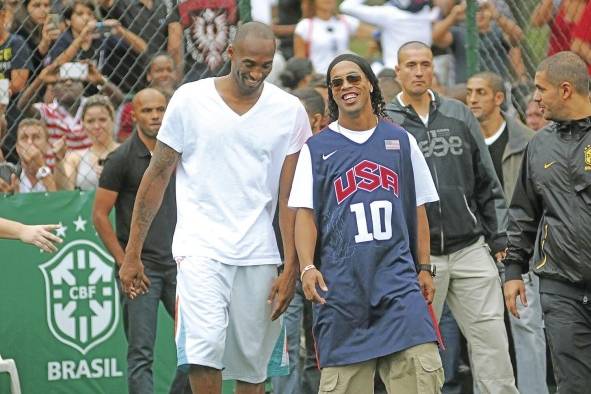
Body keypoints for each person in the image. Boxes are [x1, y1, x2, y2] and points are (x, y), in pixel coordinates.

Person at [118, 22, 312, 394]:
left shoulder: (289, 111)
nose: (256, 74)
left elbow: (291, 196)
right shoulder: (189, 100)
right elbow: (157, 176)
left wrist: (292, 267)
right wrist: (132, 253)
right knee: (202, 354)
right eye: (249, 65)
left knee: (253, 369)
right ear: (230, 54)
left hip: (259, 254)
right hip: (200, 251)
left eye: (265, 66)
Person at [289, 53, 443, 394]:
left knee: (422, 377)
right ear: (331, 93)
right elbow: (305, 215)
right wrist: (307, 266)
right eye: (337, 83)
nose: (346, 86)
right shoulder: (316, 148)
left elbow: (418, 209)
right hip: (342, 292)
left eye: (354, 78)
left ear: (370, 84)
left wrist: (424, 267)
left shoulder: (401, 141)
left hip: (399, 287)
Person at [385, 41, 518, 394]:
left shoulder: (459, 114)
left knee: (492, 342)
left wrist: (498, 237)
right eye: (410, 65)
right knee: (418, 352)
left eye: (424, 64)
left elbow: (487, 181)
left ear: (433, 70)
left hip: (471, 248)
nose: (418, 71)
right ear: (397, 71)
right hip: (419, 258)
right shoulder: (386, 123)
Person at [504, 51, 591, 394]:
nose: (535, 97)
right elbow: (523, 212)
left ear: (566, 90)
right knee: (572, 385)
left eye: (541, 88)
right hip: (560, 285)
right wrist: (513, 270)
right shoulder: (538, 145)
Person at [93, 88, 190, 394]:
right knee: (140, 354)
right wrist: (125, 262)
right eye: (148, 111)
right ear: (134, 115)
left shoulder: (181, 153)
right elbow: (99, 215)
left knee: (199, 346)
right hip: (140, 269)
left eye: (160, 110)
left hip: (181, 264)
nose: (156, 117)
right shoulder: (120, 159)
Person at [467, 71, 547, 394]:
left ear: (499, 98)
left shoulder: (526, 140)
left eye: (481, 93)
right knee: (482, 330)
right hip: (476, 247)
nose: (472, 99)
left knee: (526, 325)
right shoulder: (462, 138)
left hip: (519, 247)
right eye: (469, 92)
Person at [270, 86, 325, 394]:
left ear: (316, 120)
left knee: (322, 347)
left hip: (324, 266)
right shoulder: (276, 156)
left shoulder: (331, 153)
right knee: (285, 350)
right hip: (283, 264)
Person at [339, 0, 438, 68]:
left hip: (393, 72)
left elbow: (346, 6)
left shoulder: (389, 14)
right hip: (421, 71)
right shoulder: (429, 13)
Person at [58, 95, 119, 190]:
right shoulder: (75, 158)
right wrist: (59, 161)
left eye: (102, 120)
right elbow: (66, 192)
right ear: (83, 124)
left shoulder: (127, 152)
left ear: (112, 120)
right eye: (90, 121)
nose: (97, 126)